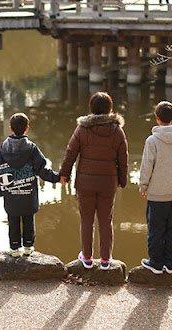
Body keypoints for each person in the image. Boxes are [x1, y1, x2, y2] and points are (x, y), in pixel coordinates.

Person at [60, 92, 129, 270]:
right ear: (109, 109)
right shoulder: (117, 131)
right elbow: (123, 159)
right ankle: (106, 260)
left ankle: (88, 258)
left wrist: (64, 174)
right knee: (106, 220)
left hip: (85, 183)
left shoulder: (82, 129)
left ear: (91, 108)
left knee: (86, 219)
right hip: (108, 183)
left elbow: (70, 154)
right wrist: (122, 180)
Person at [138, 101, 172, 274]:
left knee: (156, 229)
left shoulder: (152, 141)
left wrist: (143, 185)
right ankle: (170, 263)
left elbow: (147, 165)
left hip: (156, 193)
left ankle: (155, 262)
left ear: (157, 118)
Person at [0, 113, 60, 257]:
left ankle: (14, 248)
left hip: (11, 193)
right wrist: (57, 178)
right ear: (27, 129)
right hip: (28, 193)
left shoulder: (3, 148)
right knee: (28, 219)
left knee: (12, 219)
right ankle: (28, 247)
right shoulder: (31, 149)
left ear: (11, 129)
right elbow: (42, 170)